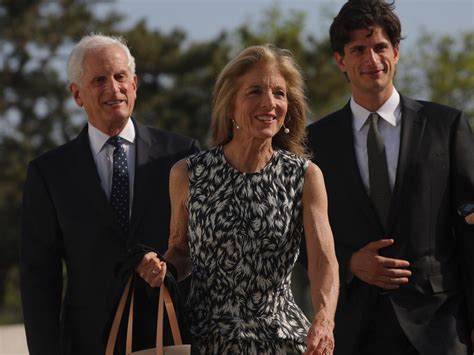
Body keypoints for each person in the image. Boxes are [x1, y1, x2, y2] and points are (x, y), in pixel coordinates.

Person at [136, 44, 339, 354]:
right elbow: (180, 251)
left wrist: (324, 320)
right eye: (255, 91)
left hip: (281, 341)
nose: (269, 103)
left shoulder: (305, 176)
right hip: (206, 340)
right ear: (230, 106)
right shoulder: (188, 173)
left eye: (279, 94)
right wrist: (163, 267)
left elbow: (323, 261)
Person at [304, 0, 474, 354]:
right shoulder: (314, 143)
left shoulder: (447, 126)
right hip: (354, 330)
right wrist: (349, 262)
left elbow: (471, 233)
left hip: (440, 327)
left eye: (380, 47)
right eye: (358, 50)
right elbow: (298, 237)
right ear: (341, 61)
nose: (372, 60)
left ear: (396, 52)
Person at [19, 34, 200, 355]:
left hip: (171, 336)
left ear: (134, 84)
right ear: (76, 94)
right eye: (99, 80)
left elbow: (205, 251)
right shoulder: (49, 172)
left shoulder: (182, 155)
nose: (113, 89)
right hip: (88, 342)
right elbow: (39, 278)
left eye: (120, 77)